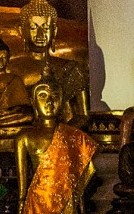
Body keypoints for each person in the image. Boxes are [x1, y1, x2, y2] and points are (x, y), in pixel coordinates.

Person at [15, 70, 95, 214]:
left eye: (55, 96)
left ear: (62, 102)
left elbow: (77, 176)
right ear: (33, 102)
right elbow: (22, 183)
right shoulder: (25, 137)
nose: (49, 102)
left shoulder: (72, 135)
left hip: (66, 200)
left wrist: (80, 205)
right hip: (38, 201)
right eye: (42, 96)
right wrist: (21, 202)